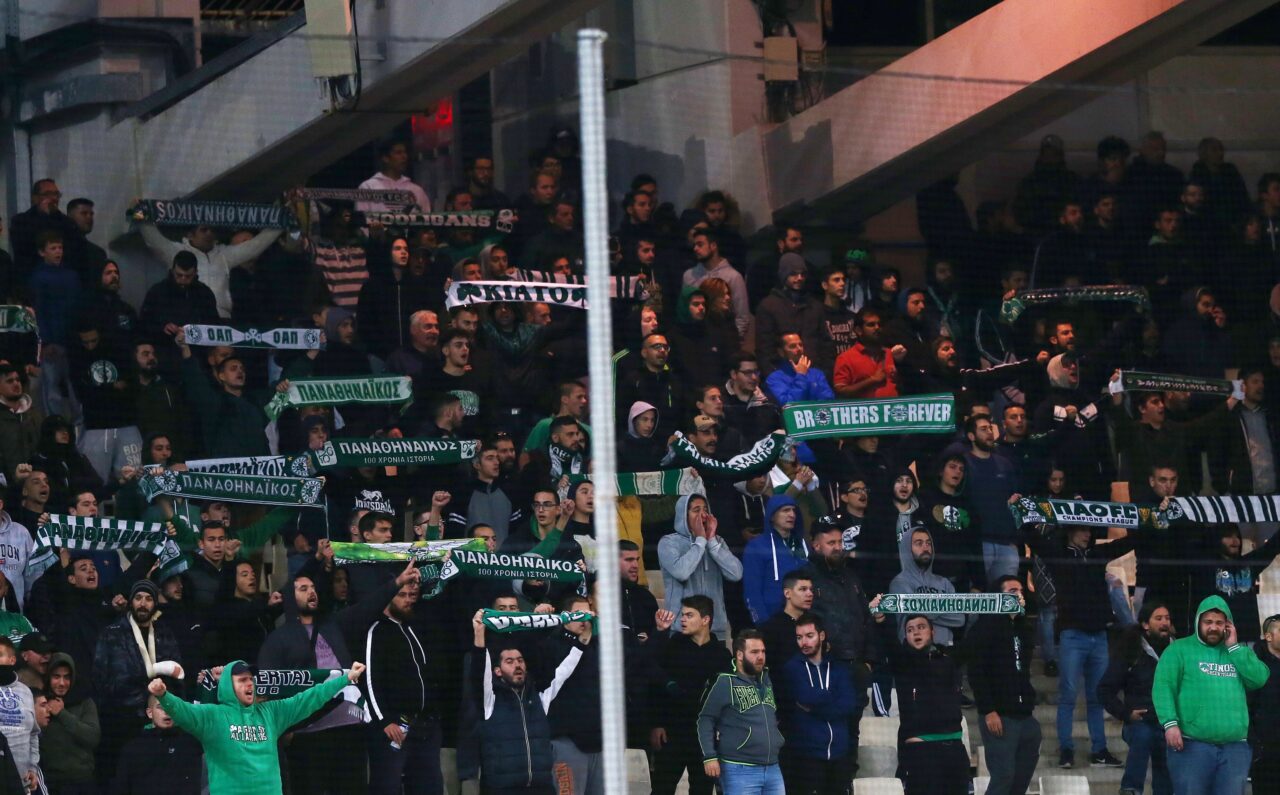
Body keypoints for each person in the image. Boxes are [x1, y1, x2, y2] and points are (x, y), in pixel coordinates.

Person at [150, 660, 366, 795]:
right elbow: (184, 711)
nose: (249, 684)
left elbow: (309, 698)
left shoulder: (271, 712)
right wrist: (163, 696)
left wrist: (345, 679)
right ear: (228, 686)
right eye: (242, 680)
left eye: (251, 680)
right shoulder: (213, 716)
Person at [1024, 518, 1134, 770]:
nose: (1087, 534)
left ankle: (1099, 751)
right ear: (1070, 531)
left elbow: (1127, 543)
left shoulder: (1097, 554)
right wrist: (1025, 513)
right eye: (1082, 529)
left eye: (1089, 530)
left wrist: (1148, 522)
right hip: (1073, 635)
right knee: (1068, 695)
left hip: (1099, 636)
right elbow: (1034, 539)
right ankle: (1066, 749)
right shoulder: (1059, 555)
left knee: (1098, 697)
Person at [1154, 595, 1269, 794]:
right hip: (1191, 744)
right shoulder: (1178, 649)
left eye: (1219, 623)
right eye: (1208, 622)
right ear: (1198, 621)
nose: (1213, 627)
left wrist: (1234, 648)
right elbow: (1163, 687)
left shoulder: (1238, 651)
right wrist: (1170, 724)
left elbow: (1259, 679)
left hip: (1235, 747)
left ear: (1228, 625)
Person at [470, 606, 587, 795]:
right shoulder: (490, 701)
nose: (517, 665)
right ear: (497, 671)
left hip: (541, 788)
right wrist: (479, 634)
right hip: (502, 790)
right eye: (509, 662)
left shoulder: (539, 699)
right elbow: (479, 670)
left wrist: (582, 642)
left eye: (520, 660)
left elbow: (563, 672)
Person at [91, 579, 183, 786]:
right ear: (131, 602)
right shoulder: (112, 632)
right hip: (121, 721)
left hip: (158, 719)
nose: (143, 603)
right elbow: (99, 677)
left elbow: (177, 673)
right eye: (138, 598)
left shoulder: (164, 632)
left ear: (155, 603)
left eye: (149, 599)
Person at [362, 566, 441, 795]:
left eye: (410, 595)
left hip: (425, 726)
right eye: (402, 595)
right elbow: (371, 679)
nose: (408, 600)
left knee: (429, 786)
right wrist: (385, 721)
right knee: (388, 785)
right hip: (396, 726)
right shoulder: (377, 631)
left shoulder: (414, 626)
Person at [649, 595, 729, 795]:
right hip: (672, 733)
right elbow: (654, 683)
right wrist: (656, 724)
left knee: (702, 790)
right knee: (661, 789)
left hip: (704, 738)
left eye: (689, 615)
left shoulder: (721, 655)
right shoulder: (673, 645)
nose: (682, 619)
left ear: (705, 619)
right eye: (682, 615)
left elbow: (726, 697)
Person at [967, 576, 1039, 795]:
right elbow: (976, 671)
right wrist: (988, 710)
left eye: (1020, 591)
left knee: (1021, 780)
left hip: (1025, 715)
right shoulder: (985, 627)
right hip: (1000, 715)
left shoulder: (1024, 628)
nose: (1019, 595)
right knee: (1004, 776)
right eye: (1012, 591)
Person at [889, 613, 972, 795]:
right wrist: (881, 619)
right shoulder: (902, 662)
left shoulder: (949, 659)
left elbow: (977, 639)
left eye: (921, 627)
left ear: (932, 632)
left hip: (954, 749)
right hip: (921, 752)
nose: (916, 632)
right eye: (910, 630)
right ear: (905, 636)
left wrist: (1005, 611)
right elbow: (887, 640)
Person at [1099, 601, 1175, 795]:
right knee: (1143, 735)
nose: (1165, 623)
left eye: (1167, 618)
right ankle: (1130, 789)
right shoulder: (1131, 649)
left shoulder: (1177, 651)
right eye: (1159, 618)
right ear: (1145, 624)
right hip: (1140, 722)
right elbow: (1104, 690)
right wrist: (1126, 714)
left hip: (1169, 723)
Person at [696, 629, 784, 795]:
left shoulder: (766, 679)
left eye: (763, 651)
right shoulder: (725, 681)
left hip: (773, 767)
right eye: (754, 652)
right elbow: (705, 719)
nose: (760, 656)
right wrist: (709, 756)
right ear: (740, 655)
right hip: (738, 768)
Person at [140, 217, 281, 319]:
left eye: (212, 230)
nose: (209, 234)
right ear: (190, 235)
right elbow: (153, 240)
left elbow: (255, 246)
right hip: (190, 319)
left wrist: (281, 221)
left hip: (222, 320)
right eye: (204, 230)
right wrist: (140, 213)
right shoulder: (176, 252)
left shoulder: (224, 254)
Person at [778, 614, 856, 795]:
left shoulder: (838, 668)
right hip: (807, 756)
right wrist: (833, 697)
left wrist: (816, 707)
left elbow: (849, 703)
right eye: (799, 637)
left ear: (821, 636)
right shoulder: (792, 667)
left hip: (839, 754)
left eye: (809, 636)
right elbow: (805, 696)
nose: (804, 642)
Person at [657, 494, 743, 636]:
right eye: (696, 510)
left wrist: (712, 542)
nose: (703, 515)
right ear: (684, 516)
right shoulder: (668, 542)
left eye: (705, 510)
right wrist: (700, 541)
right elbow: (681, 572)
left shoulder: (717, 542)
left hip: (714, 627)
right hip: (681, 627)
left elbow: (736, 574)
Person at [964, 414, 1022, 583]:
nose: (989, 432)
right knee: (977, 594)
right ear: (971, 436)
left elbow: (1015, 496)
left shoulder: (1005, 463)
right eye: (983, 429)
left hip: (1007, 542)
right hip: (978, 543)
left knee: (1008, 595)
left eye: (990, 428)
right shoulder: (963, 464)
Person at [110, 693, 203, 795]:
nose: (167, 711)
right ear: (150, 713)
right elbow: (121, 787)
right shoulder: (134, 749)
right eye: (161, 707)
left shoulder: (190, 744)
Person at [742, 495, 809, 625]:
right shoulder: (756, 546)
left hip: (805, 622)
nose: (792, 515)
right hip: (772, 621)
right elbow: (751, 590)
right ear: (772, 516)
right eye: (785, 510)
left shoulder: (801, 544)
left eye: (794, 510)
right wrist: (762, 623)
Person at [41, 651, 100, 794]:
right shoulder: (40, 701)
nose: (62, 683)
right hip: (49, 781)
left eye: (66, 677)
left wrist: (62, 714)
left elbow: (92, 737)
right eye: (56, 677)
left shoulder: (84, 701)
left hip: (80, 781)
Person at [0, 638, 38, 793]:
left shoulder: (26, 691)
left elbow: (33, 733)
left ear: (12, 660)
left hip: (21, 783)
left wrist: (33, 768)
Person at [1249, 613, 1280, 795]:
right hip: (1265, 749)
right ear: (1268, 636)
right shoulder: (1255, 665)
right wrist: (1255, 744)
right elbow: (1248, 705)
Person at [757, 571, 813, 671]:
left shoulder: (815, 623)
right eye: (803, 589)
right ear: (787, 593)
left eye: (811, 589)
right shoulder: (771, 629)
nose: (810, 594)